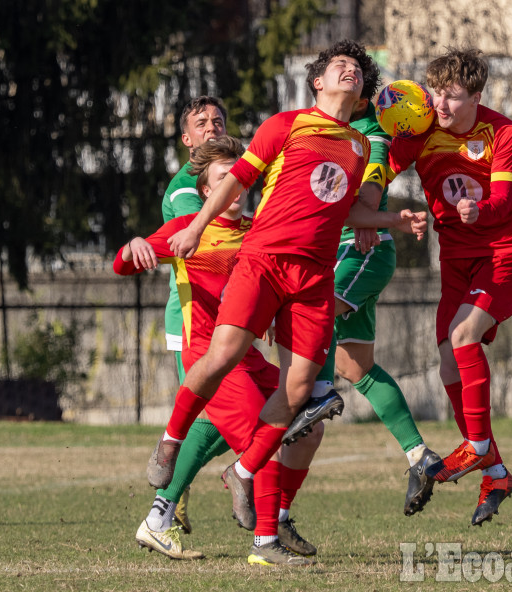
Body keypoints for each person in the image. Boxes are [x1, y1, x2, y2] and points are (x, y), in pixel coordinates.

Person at [146, 40, 426, 533]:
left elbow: (347, 210)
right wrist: (193, 228)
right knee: (224, 355)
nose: (350, 72)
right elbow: (235, 181)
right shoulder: (284, 125)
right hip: (264, 263)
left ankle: (243, 472)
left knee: (299, 396)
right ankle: (170, 441)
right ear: (317, 81)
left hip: (312, 277)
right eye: (339, 66)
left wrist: (394, 221)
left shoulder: (360, 146)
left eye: (357, 69)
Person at [117, 138, 320, 565]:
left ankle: (196, 502)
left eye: (239, 177)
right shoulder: (189, 228)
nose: (234, 185)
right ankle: (265, 545)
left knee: (307, 422)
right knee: (263, 436)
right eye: (223, 177)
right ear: (208, 191)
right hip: (209, 357)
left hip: (247, 358)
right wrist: (132, 246)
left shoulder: (257, 232)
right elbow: (123, 263)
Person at [384, 48, 512, 526]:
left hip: (502, 254)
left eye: (451, 97)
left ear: (476, 97)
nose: (440, 106)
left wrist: (480, 210)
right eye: (436, 94)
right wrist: (368, 211)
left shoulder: (501, 131)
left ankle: (479, 446)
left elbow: (505, 201)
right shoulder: (422, 130)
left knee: (464, 336)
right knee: (448, 354)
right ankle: (496, 473)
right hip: (455, 262)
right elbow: (380, 169)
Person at [281, 89, 440, 517]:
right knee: (357, 366)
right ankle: (418, 455)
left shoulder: (371, 132)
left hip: (360, 252)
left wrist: (369, 213)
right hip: (351, 250)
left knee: (317, 316)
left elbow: (368, 195)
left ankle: (317, 396)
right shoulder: (331, 129)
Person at [160, 96, 231, 533]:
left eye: (217, 120)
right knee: (225, 415)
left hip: (227, 317)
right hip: (193, 318)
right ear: (187, 139)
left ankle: (171, 480)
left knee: (238, 413)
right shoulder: (188, 186)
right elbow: (205, 241)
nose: (211, 127)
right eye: (201, 123)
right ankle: (166, 498)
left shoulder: (230, 180)